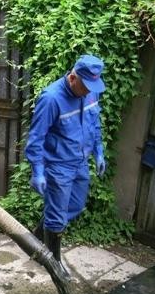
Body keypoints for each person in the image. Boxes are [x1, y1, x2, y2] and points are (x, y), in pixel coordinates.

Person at [25, 54, 106, 277]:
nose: (89, 91)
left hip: (80, 162)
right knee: (58, 216)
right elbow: (36, 138)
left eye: (92, 86)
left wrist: (99, 152)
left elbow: (95, 124)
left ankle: (39, 234)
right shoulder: (51, 98)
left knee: (76, 205)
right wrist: (38, 171)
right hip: (58, 165)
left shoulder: (91, 92)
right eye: (85, 86)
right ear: (72, 78)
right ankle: (54, 264)